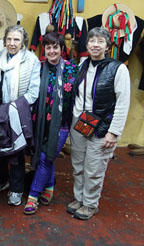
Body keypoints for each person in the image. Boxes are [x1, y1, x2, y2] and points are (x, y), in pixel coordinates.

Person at [67, 27, 130, 220]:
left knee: (94, 168)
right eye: (92, 41)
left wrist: (114, 132)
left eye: (100, 41)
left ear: (107, 46)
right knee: (78, 165)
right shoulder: (82, 65)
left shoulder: (118, 69)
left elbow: (122, 102)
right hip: (79, 124)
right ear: (86, 45)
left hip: (102, 127)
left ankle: (90, 204)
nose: (95, 45)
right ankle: (79, 198)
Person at [23, 32, 77, 215]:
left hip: (61, 124)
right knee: (45, 156)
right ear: (44, 49)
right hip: (39, 122)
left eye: (55, 47)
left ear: (62, 49)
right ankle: (50, 185)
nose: (52, 50)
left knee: (47, 157)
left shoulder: (72, 70)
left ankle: (33, 196)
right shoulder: (37, 69)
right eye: (48, 47)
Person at [0, 25, 40, 206]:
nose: (12, 43)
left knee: (17, 151)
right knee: (0, 147)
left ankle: (16, 189)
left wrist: (12, 108)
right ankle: (1, 181)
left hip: (19, 112)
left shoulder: (32, 61)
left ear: (23, 41)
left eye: (16, 40)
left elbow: (33, 92)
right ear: (4, 40)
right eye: (9, 39)